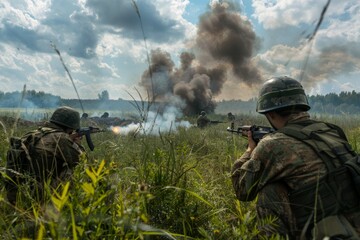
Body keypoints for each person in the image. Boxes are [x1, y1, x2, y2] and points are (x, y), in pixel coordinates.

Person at [231, 76, 360, 239]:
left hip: (330, 232)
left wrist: (250, 150)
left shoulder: (273, 144)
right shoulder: (331, 130)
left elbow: (242, 190)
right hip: (352, 218)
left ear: (270, 114)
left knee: (270, 190)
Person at [5, 106, 85, 204]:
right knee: (73, 170)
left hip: (17, 191)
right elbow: (81, 160)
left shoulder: (33, 133)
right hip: (38, 194)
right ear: (70, 127)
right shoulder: (62, 138)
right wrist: (77, 144)